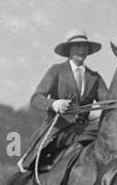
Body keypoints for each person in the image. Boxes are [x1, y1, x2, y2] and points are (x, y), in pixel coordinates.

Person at [24, 31, 107, 168]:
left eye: (84, 46)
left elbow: (107, 103)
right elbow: (36, 99)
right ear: (69, 50)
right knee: (34, 164)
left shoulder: (95, 77)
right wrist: (55, 104)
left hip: (85, 132)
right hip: (58, 131)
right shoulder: (56, 70)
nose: (81, 50)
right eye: (77, 46)